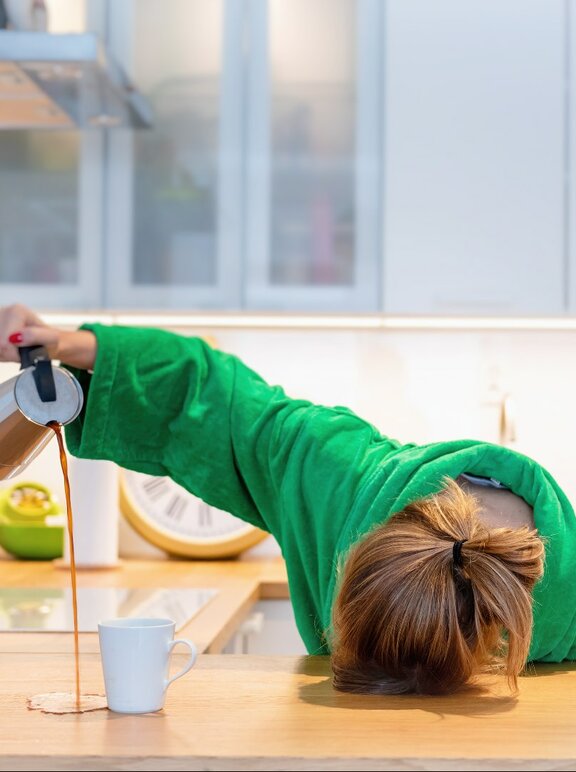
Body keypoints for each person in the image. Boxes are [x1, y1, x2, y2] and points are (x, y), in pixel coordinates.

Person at [0, 304, 573, 696]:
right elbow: (214, 397)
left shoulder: (564, 595)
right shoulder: (335, 476)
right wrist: (73, 345)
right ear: (351, 553)